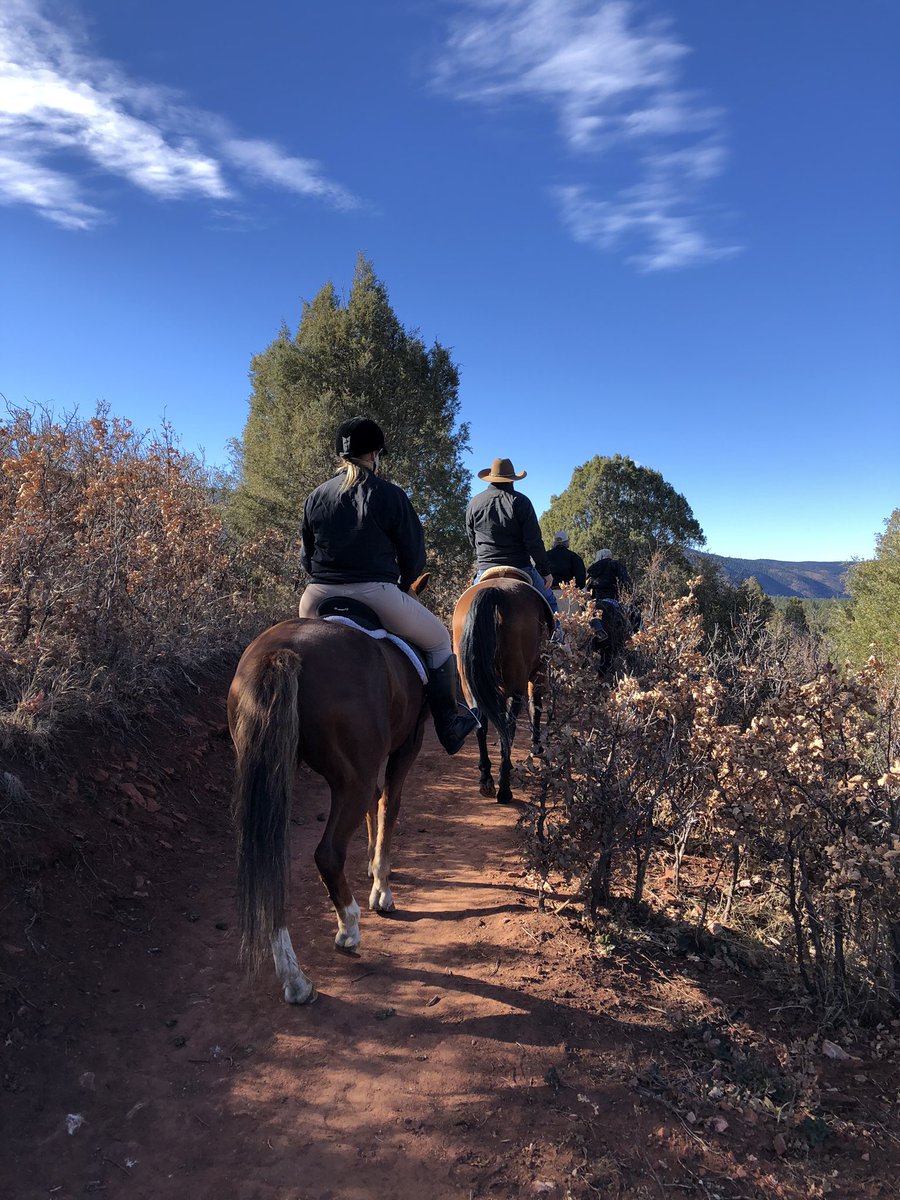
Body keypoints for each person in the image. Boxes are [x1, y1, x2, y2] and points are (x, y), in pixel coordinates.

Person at [298, 416, 478, 755]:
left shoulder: (315, 496)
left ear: (341, 455)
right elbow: (414, 558)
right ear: (375, 455)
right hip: (375, 594)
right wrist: (404, 583)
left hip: (316, 597)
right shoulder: (390, 495)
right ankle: (450, 726)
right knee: (440, 641)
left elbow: (306, 559)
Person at [465, 457, 558, 616]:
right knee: (550, 599)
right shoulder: (521, 502)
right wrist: (545, 571)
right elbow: (533, 541)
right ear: (512, 480)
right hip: (520, 566)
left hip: (485, 568)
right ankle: (557, 638)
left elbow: (472, 539)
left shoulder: (474, 503)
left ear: (491, 478)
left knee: (466, 606)